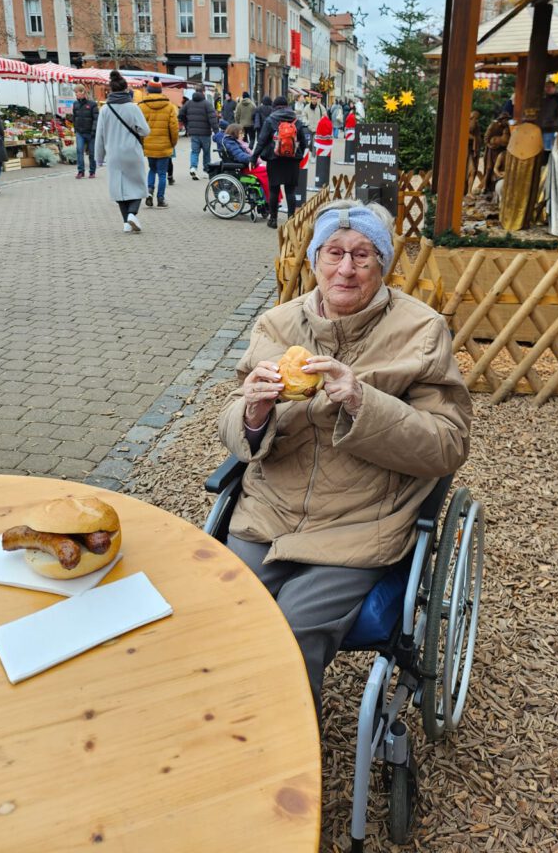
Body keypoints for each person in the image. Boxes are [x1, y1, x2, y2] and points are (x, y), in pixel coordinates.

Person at [218, 199, 472, 718]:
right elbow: (231, 422)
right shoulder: (276, 324)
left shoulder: (420, 332)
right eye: (334, 252)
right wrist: (253, 411)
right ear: (314, 261)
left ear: (383, 264)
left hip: (359, 525)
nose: (347, 269)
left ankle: (280, 763)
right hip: (267, 513)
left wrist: (362, 402)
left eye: (363, 255)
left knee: (288, 634)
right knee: (217, 616)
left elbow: (448, 443)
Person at [94, 70, 150, 233]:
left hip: (113, 154)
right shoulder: (133, 108)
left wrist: (99, 157)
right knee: (138, 185)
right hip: (132, 152)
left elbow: (100, 136)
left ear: (110, 90)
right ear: (126, 89)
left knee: (118, 188)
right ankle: (132, 214)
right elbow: (145, 131)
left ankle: (126, 222)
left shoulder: (105, 110)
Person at [251, 95, 310, 229]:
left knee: (274, 190)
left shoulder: (271, 120)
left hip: (274, 159)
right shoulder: (296, 120)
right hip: (292, 161)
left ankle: (273, 220)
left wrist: (254, 157)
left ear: (275, 107)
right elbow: (304, 143)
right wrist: (297, 155)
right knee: (290, 191)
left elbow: (261, 141)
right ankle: (291, 220)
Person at [139, 82, 179, 208]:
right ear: (161, 91)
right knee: (162, 173)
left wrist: (142, 143)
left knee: (152, 169)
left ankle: (149, 191)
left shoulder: (142, 106)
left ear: (149, 91)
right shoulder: (169, 106)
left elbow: (138, 127)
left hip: (149, 145)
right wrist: (173, 143)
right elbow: (174, 127)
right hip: (164, 145)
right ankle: (160, 199)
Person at [178, 88, 217, 180]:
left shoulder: (188, 103)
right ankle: (207, 170)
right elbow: (213, 119)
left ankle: (193, 168)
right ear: (203, 92)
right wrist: (216, 132)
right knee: (206, 152)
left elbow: (180, 114)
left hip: (194, 133)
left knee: (194, 151)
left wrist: (187, 125)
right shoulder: (207, 104)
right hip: (205, 133)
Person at [72, 84, 99, 179]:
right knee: (79, 151)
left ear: (83, 92)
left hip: (91, 133)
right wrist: (75, 128)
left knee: (92, 153)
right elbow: (74, 117)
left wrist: (94, 130)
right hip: (80, 132)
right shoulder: (75, 104)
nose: (76, 94)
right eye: (75, 92)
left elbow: (96, 119)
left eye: (77, 92)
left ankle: (92, 171)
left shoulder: (92, 104)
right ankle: (81, 171)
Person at [540, 79, 558, 163]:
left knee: (550, 151)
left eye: (550, 87)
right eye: (546, 87)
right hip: (543, 128)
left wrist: (553, 124)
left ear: (555, 88)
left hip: (552, 129)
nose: (547, 89)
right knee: (543, 151)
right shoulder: (544, 99)